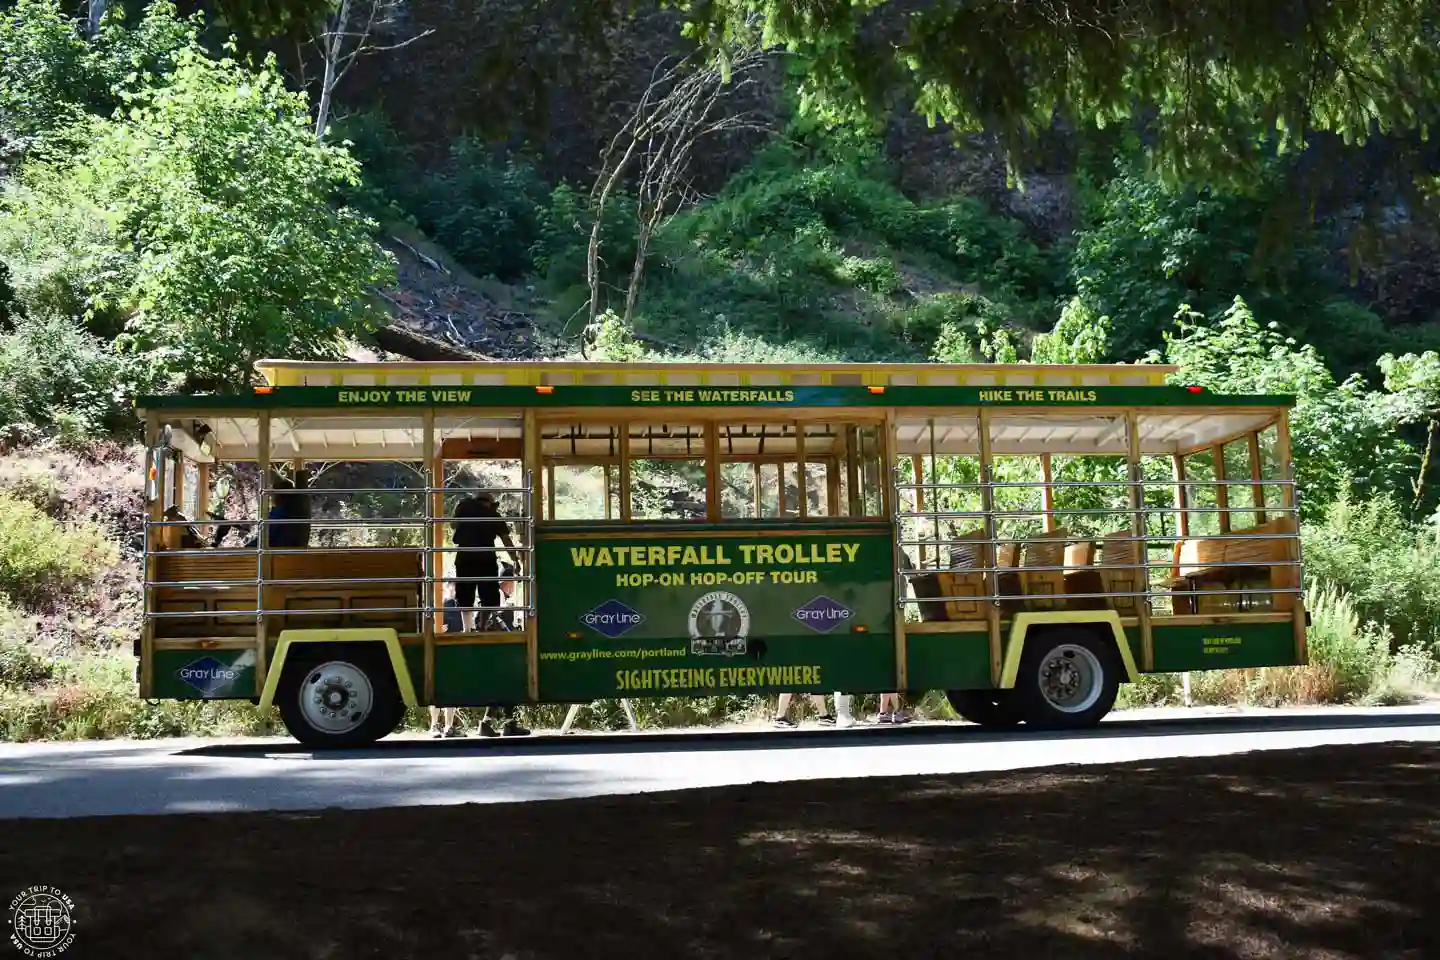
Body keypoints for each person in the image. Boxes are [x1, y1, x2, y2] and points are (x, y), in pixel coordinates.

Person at [450, 490, 521, 633]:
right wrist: (515, 560)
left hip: (465, 555)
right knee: (489, 593)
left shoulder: (463, 509)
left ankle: (467, 629)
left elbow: (453, 525)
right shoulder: (493, 515)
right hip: (486, 556)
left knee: (465, 592)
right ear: (490, 503)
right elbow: (506, 540)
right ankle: (482, 627)